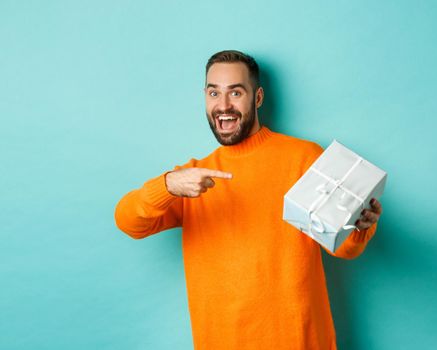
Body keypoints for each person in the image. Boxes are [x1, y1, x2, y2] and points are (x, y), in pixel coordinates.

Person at [114, 50, 383, 350]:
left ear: (257, 98)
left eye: (236, 92)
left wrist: (359, 226)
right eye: (214, 92)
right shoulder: (192, 179)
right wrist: (167, 185)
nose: (223, 105)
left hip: (301, 341)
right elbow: (127, 222)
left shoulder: (303, 158)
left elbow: (345, 248)